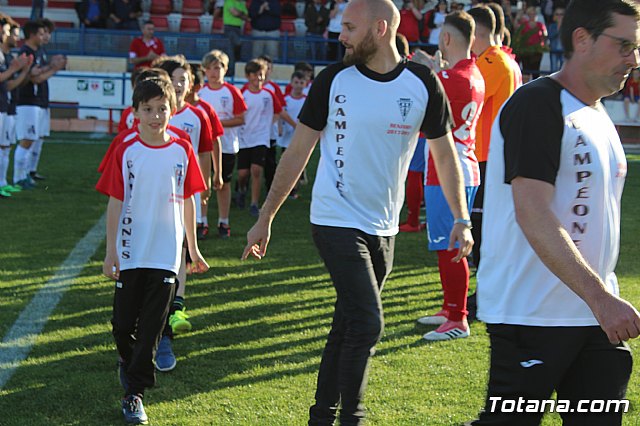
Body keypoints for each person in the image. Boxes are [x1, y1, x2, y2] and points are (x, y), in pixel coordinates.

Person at [242, 0, 472, 423]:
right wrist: (266, 216)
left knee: (347, 325)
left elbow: (445, 154)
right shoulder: (334, 80)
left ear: (380, 28)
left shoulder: (423, 82)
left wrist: (461, 217)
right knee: (368, 323)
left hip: (384, 226)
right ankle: (354, 417)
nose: (341, 36)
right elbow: (297, 153)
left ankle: (321, 414)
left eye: (348, 27)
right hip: (334, 219)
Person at [468, 1, 640, 424]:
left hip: (594, 318)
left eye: (636, 48)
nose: (633, 60)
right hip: (533, 316)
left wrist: (602, 300)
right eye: (623, 45)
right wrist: (601, 298)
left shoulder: (598, 115)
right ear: (582, 39)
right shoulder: (539, 104)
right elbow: (533, 211)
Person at [96, 76, 208, 425]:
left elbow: (190, 201)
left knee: (151, 329)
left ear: (172, 110)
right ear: (136, 112)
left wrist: (193, 247)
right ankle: (129, 364)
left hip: (166, 251)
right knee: (122, 325)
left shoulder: (183, 147)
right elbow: (116, 200)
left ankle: (134, 394)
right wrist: (111, 250)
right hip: (130, 249)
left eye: (162, 109)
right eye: (148, 110)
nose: (156, 116)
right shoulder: (125, 146)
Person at [412, 10, 484, 341]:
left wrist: (428, 71)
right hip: (458, 166)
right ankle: (450, 307)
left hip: (448, 171)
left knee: (450, 245)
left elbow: (425, 109)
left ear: (446, 39)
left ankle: (458, 318)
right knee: (446, 245)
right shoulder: (472, 73)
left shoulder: (453, 79)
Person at [467, 5, 516, 270]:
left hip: (486, 153)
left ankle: (484, 282)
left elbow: (469, 98)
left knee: (481, 220)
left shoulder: (492, 61)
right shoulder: (502, 59)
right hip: (490, 152)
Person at [199, 49, 248, 239]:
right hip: (203, 147)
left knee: (224, 183)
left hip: (226, 145)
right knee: (202, 183)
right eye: (210, 68)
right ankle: (201, 221)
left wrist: (215, 124)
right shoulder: (200, 92)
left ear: (225, 69)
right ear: (204, 71)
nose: (214, 72)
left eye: (218, 67)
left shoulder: (232, 91)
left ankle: (223, 221)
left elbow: (240, 118)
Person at [13, 19, 65, 190]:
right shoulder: (26, 52)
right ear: (33, 35)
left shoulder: (39, 50)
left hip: (39, 102)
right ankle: (19, 177)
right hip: (28, 101)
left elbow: (39, 74)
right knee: (27, 139)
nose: (45, 37)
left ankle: (29, 172)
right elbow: (35, 78)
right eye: (42, 33)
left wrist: (50, 67)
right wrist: (54, 68)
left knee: (36, 138)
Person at [237, 58, 282, 217]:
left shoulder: (268, 94)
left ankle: (254, 203)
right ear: (248, 76)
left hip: (261, 137)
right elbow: (237, 113)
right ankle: (242, 190)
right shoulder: (242, 92)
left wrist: (269, 125)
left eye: (261, 75)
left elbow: (278, 111)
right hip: (244, 137)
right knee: (243, 173)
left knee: (256, 170)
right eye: (254, 75)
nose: (258, 79)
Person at [186, 62, 225, 239]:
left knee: (201, 192)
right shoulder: (167, 110)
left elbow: (214, 141)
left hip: (200, 161)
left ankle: (202, 221)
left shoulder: (205, 110)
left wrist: (218, 171)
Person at [0, 20, 32, 198]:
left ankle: (2, 182)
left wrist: (24, 71)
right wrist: (14, 68)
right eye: (9, 32)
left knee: (5, 147)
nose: (14, 37)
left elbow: (9, 85)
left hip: (7, 105)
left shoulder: (7, 57)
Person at [277, 70, 306, 199]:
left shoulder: (307, 100)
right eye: (296, 82)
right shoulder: (285, 99)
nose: (299, 85)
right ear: (291, 83)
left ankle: (294, 188)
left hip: (301, 136)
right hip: (287, 137)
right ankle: (285, 186)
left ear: (305, 84)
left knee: (298, 162)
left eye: (301, 82)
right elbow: (279, 114)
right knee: (286, 161)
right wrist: (279, 128)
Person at [515, 4, 548, 80]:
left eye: (534, 14)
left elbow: (545, 35)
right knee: (526, 71)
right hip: (525, 51)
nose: (532, 16)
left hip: (536, 52)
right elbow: (518, 31)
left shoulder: (540, 25)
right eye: (530, 14)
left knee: (535, 72)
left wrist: (543, 45)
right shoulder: (524, 24)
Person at [223, 0, 249, 77]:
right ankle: (230, 71)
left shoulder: (241, 3)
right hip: (229, 28)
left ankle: (234, 69)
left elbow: (246, 16)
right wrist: (241, 14)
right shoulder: (229, 1)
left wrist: (239, 13)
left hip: (238, 28)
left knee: (236, 48)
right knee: (230, 50)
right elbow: (235, 13)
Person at [547, 6, 565, 71]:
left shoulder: (566, 26)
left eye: (561, 14)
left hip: (563, 51)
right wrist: (558, 28)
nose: (559, 16)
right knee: (553, 69)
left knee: (563, 71)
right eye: (557, 14)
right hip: (554, 50)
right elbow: (550, 36)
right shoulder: (551, 26)